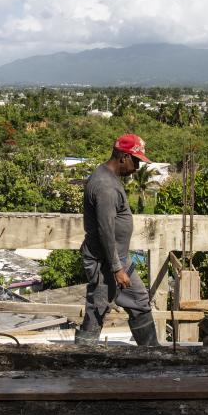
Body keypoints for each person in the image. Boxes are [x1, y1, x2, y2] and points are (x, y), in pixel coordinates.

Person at [76, 134, 160, 346]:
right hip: (106, 261)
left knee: (139, 300)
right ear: (123, 157)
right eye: (136, 161)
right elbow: (106, 230)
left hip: (117, 258)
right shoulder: (106, 186)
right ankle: (82, 356)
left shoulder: (108, 178)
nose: (138, 167)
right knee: (98, 308)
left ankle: (151, 352)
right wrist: (116, 268)